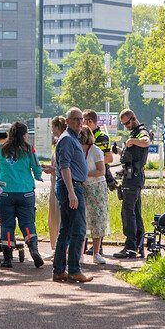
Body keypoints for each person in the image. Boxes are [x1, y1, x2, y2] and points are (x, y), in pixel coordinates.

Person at [0, 122, 45, 268]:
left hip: (5, 192)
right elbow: (36, 167)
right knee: (27, 223)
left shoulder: (2, 147)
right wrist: (38, 176)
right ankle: (33, 249)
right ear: (25, 134)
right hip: (25, 192)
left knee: (7, 225)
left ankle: (7, 259)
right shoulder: (28, 149)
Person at [52, 108, 93, 283]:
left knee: (66, 230)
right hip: (72, 187)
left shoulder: (72, 138)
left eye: (81, 119)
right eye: (75, 119)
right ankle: (74, 269)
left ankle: (60, 270)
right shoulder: (68, 139)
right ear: (67, 121)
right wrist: (71, 192)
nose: (79, 122)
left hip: (72, 186)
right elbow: (65, 167)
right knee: (78, 229)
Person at [112, 108, 150, 259]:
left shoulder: (141, 132)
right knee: (135, 211)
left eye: (127, 123)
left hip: (134, 178)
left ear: (134, 118)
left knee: (128, 212)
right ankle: (138, 246)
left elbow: (146, 141)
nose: (126, 126)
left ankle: (131, 246)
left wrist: (133, 141)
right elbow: (133, 155)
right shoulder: (134, 134)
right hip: (132, 176)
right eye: (123, 124)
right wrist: (119, 151)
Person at [82, 109, 113, 256]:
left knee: (98, 216)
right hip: (86, 184)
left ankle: (97, 249)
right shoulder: (80, 146)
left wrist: (90, 166)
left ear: (90, 121)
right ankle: (85, 248)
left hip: (97, 183)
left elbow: (108, 159)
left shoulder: (101, 138)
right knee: (86, 217)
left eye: (83, 120)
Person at [79, 126, 109, 265]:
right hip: (82, 186)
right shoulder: (77, 149)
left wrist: (84, 174)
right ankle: (80, 254)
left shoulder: (96, 151)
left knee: (97, 218)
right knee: (81, 220)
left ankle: (96, 253)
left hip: (97, 187)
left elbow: (101, 171)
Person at [43, 116, 66, 250]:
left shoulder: (63, 142)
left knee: (58, 217)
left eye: (52, 127)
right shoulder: (59, 142)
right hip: (55, 182)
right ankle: (57, 247)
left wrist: (52, 169)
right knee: (54, 216)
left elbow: (65, 167)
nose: (51, 131)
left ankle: (60, 249)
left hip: (59, 183)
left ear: (57, 128)